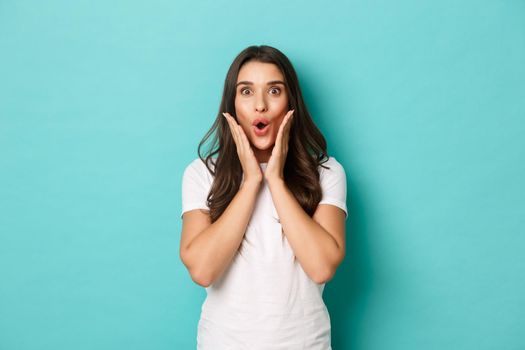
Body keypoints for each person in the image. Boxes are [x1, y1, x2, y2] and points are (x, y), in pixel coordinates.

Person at [180, 45, 348, 349]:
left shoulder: (326, 172)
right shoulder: (202, 173)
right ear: (231, 104)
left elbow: (322, 266)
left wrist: (275, 180)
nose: (260, 105)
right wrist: (250, 183)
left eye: (274, 91)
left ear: (290, 101)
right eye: (246, 92)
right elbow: (202, 270)